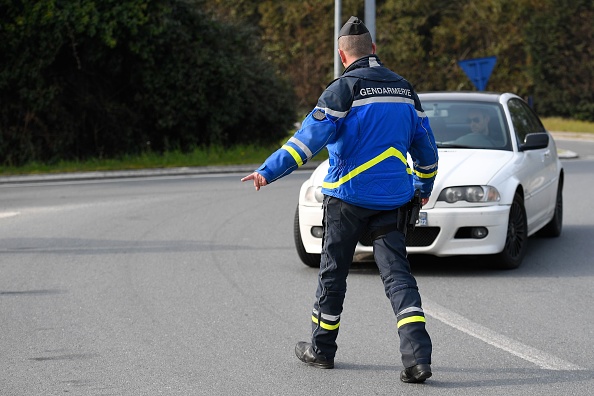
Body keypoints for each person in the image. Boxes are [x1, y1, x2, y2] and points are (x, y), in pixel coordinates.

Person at [241, 16, 439, 383]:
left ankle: (321, 350)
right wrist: (423, 188)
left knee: (333, 275)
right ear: (374, 50)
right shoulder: (404, 90)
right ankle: (418, 359)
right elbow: (426, 150)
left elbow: (306, 141)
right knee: (398, 278)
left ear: (341, 55)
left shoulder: (342, 90)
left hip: (346, 200)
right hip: (394, 200)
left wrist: (268, 171)